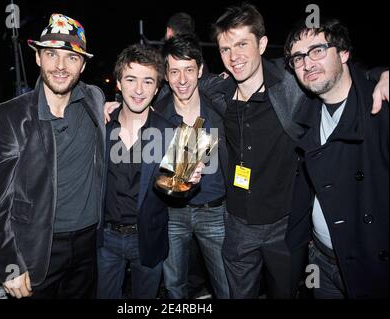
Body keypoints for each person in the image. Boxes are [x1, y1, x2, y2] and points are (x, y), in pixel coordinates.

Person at [210, 4, 389, 298]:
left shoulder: (292, 85)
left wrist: (382, 74)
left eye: (242, 44)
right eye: (225, 49)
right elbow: (182, 87)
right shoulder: (218, 92)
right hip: (241, 225)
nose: (234, 56)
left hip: (285, 225)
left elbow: (344, 77)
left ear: (263, 44)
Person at [0, 14, 105, 299]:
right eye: (51, 55)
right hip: (36, 249)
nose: (60, 66)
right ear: (37, 58)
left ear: (83, 65)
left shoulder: (94, 100)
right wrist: (10, 265)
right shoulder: (10, 116)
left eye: (71, 58)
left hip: (89, 246)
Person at [284, 18, 388, 298]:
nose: (307, 64)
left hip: (371, 267)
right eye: (298, 58)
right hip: (320, 259)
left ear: (343, 53)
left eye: (317, 51)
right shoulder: (305, 113)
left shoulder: (380, 107)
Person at [97, 43, 203, 299]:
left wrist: (190, 183)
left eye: (147, 81)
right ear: (119, 84)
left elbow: (178, 192)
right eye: (131, 79)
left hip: (148, 238)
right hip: (105, 240)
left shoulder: (172, 132)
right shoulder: (101, 128)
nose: (138, 89)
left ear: (157, 88)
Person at [156, 35, 229, 299]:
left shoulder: (220, 109)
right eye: (174, 71)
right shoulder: (157, 114)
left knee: (226, 285)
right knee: (174, 286)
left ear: (200, 70)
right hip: (172, 214)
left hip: (215, 211)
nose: (183, 79)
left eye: (189, 69)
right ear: (165, 75)